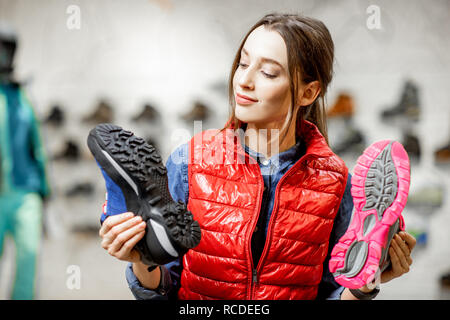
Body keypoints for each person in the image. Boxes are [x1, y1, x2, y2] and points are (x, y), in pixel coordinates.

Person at [98, 13, 415, 300]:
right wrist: (143, 260)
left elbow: (332, 294)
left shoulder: (335, 182)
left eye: (267, 72)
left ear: (308, 92)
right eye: (243, 63)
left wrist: (363, 286)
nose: (244, 81)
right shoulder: (190, 161)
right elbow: (167, 287)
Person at [0, 23, 50, 299]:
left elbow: (38, 145)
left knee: (28, 261)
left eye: (5, 49)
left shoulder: (21, 94)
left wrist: (46, 192)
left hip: (25, 192)